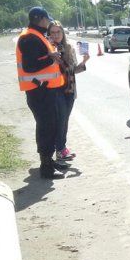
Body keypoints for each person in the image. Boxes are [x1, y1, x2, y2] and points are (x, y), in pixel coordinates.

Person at [17, 7, 67, 179]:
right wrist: (51, 57)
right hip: (39, 91)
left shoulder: (36, 35)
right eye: (47, 20)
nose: (48, 23)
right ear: (41, 19)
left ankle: (48, 161)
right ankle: (46, 167)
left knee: (49, 126)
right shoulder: (29, 38)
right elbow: (29, 66)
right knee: (46, 128)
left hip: (43, 90)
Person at [47, 20, 89, 161]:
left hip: (69, 90)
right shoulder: (49, 48)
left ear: (63, 33)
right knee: (61, 119)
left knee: (64, 120)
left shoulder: (69, 47)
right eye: (52, 32)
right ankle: (60, 149)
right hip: (56, 89)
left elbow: (72, 70)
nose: (55, 35)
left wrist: (84, 62)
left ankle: (61, 149)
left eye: (58, 32)